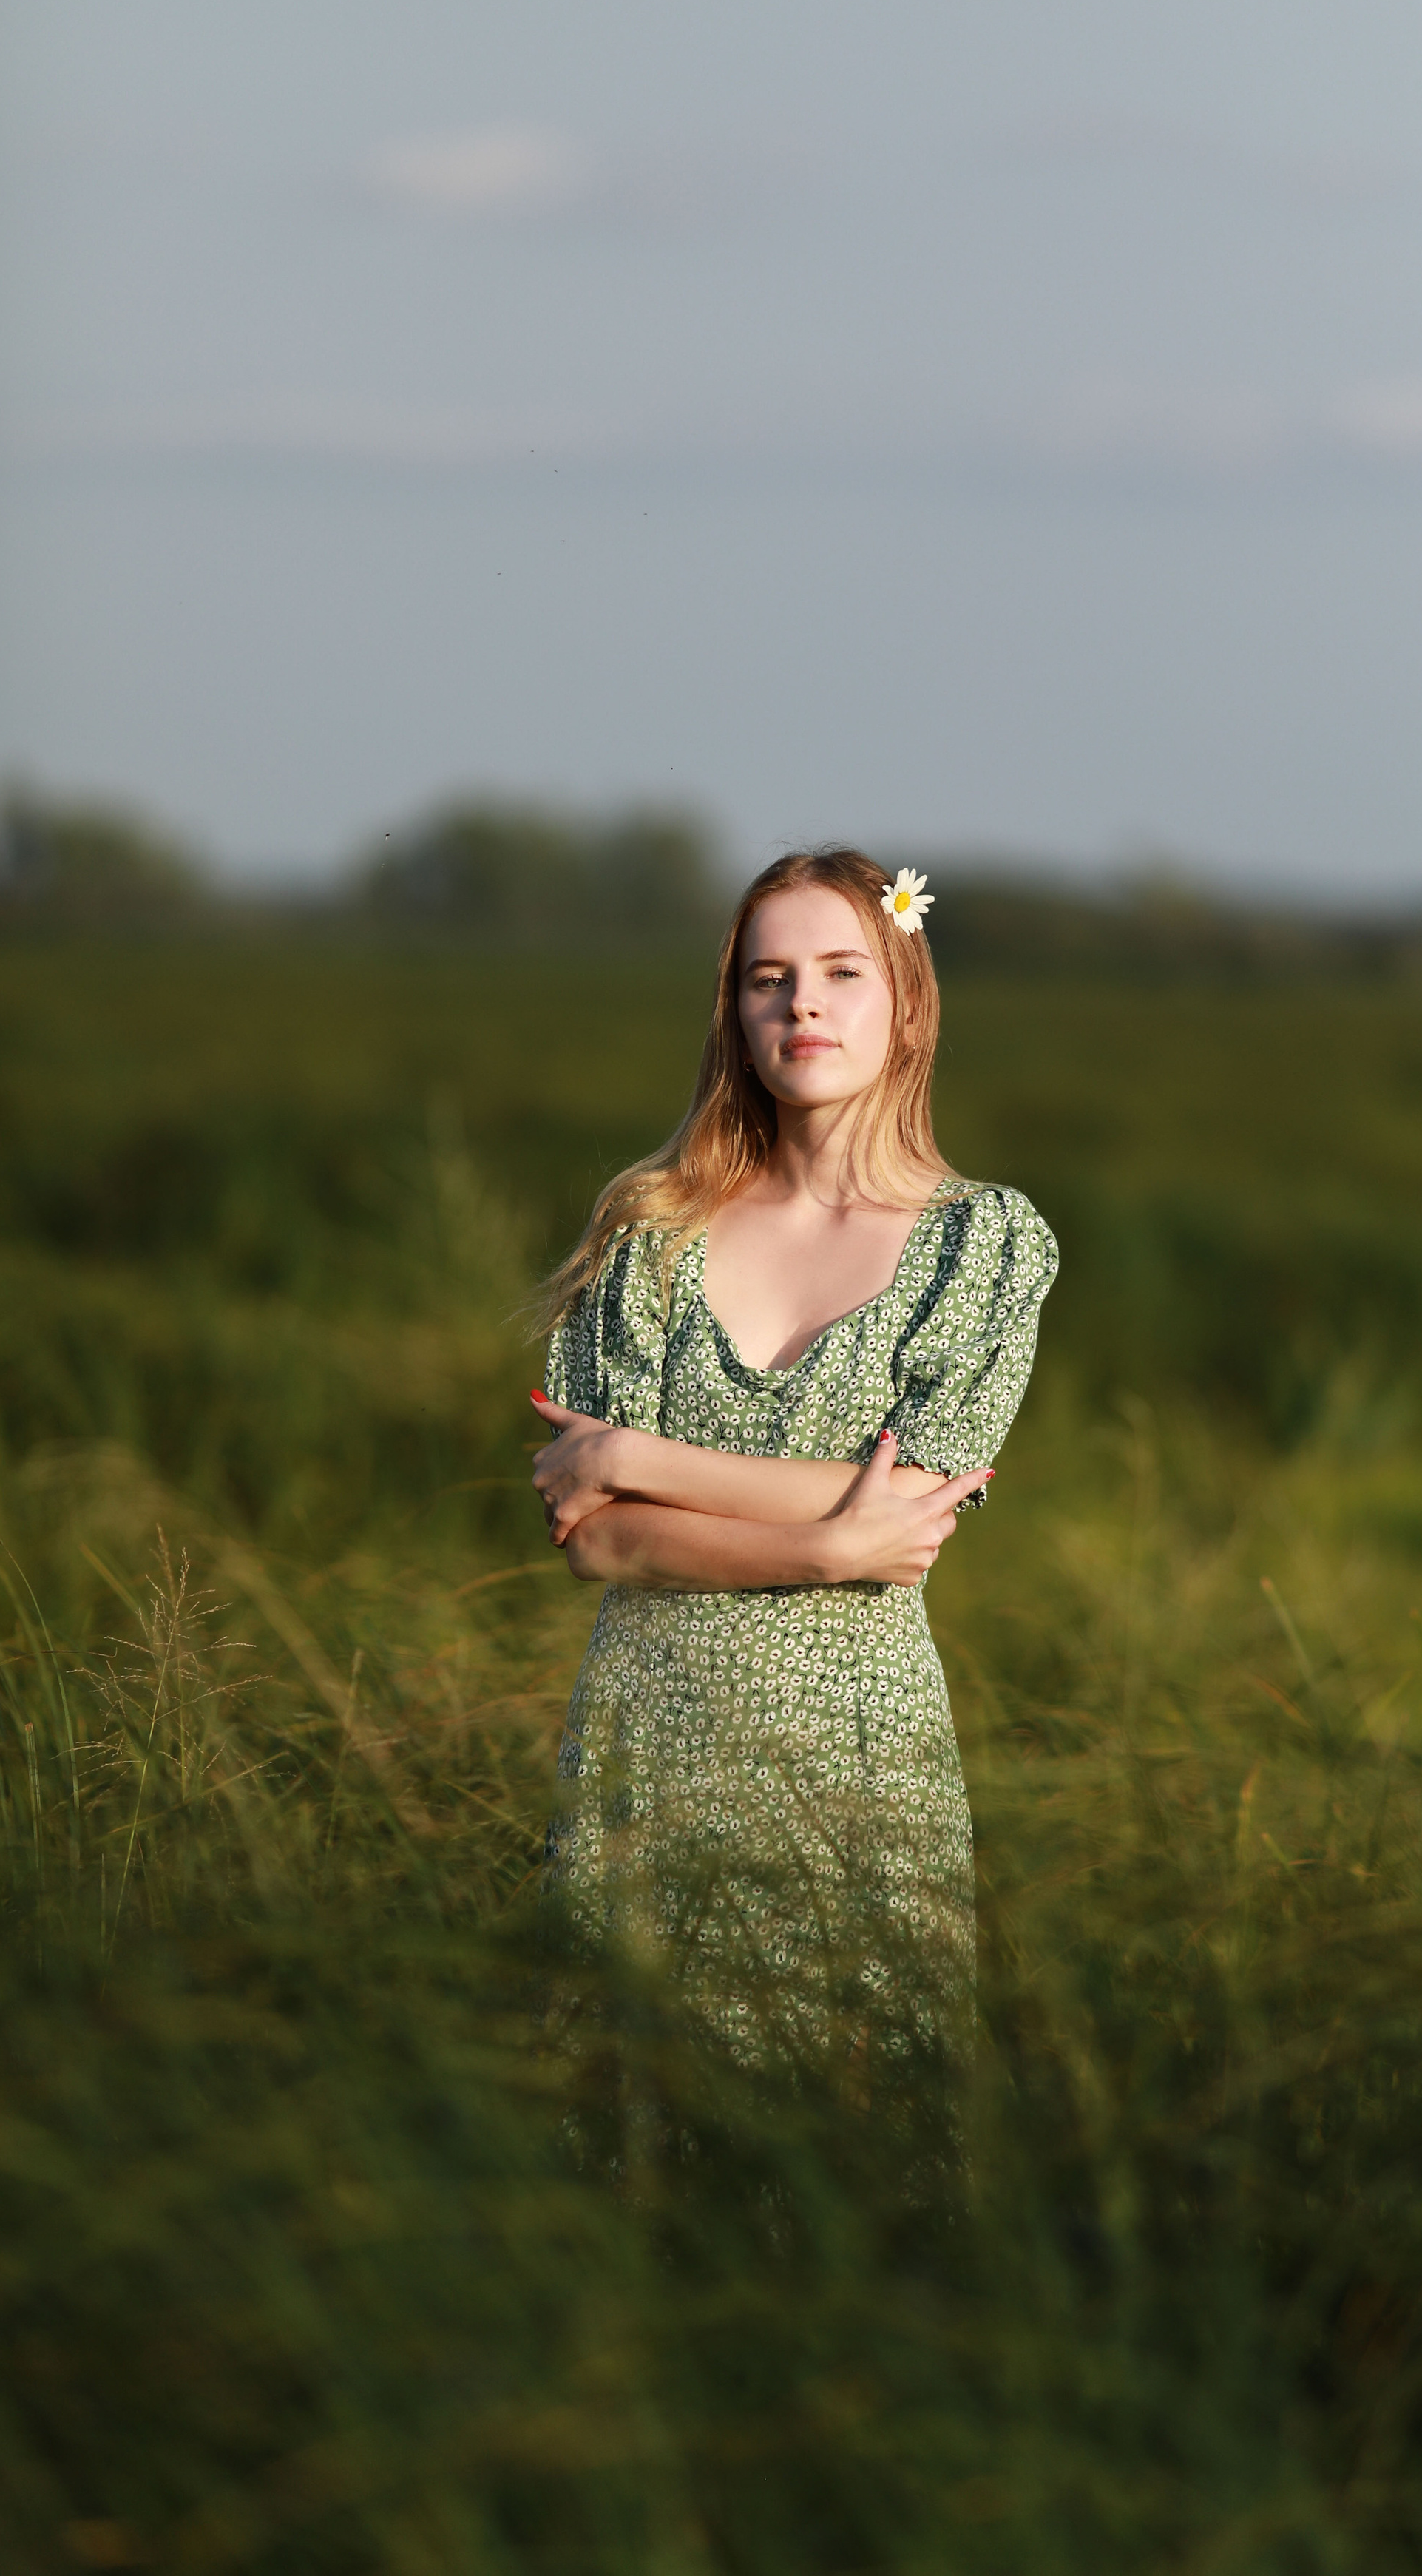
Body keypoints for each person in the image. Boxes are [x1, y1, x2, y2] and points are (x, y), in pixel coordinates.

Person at [527, 846, 1057, 2066]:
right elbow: (598, 1541)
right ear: (735, 1013)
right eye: (768, 979)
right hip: (647, 1744)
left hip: (858, 1759)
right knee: (634, 2143)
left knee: (851, 2146)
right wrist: (827, 1545)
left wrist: (633, 1449)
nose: (801, 1005)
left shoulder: (980, 1245)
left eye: (839, 972)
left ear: (906, 1000)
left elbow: (917, 1512)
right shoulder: (650, 1229)